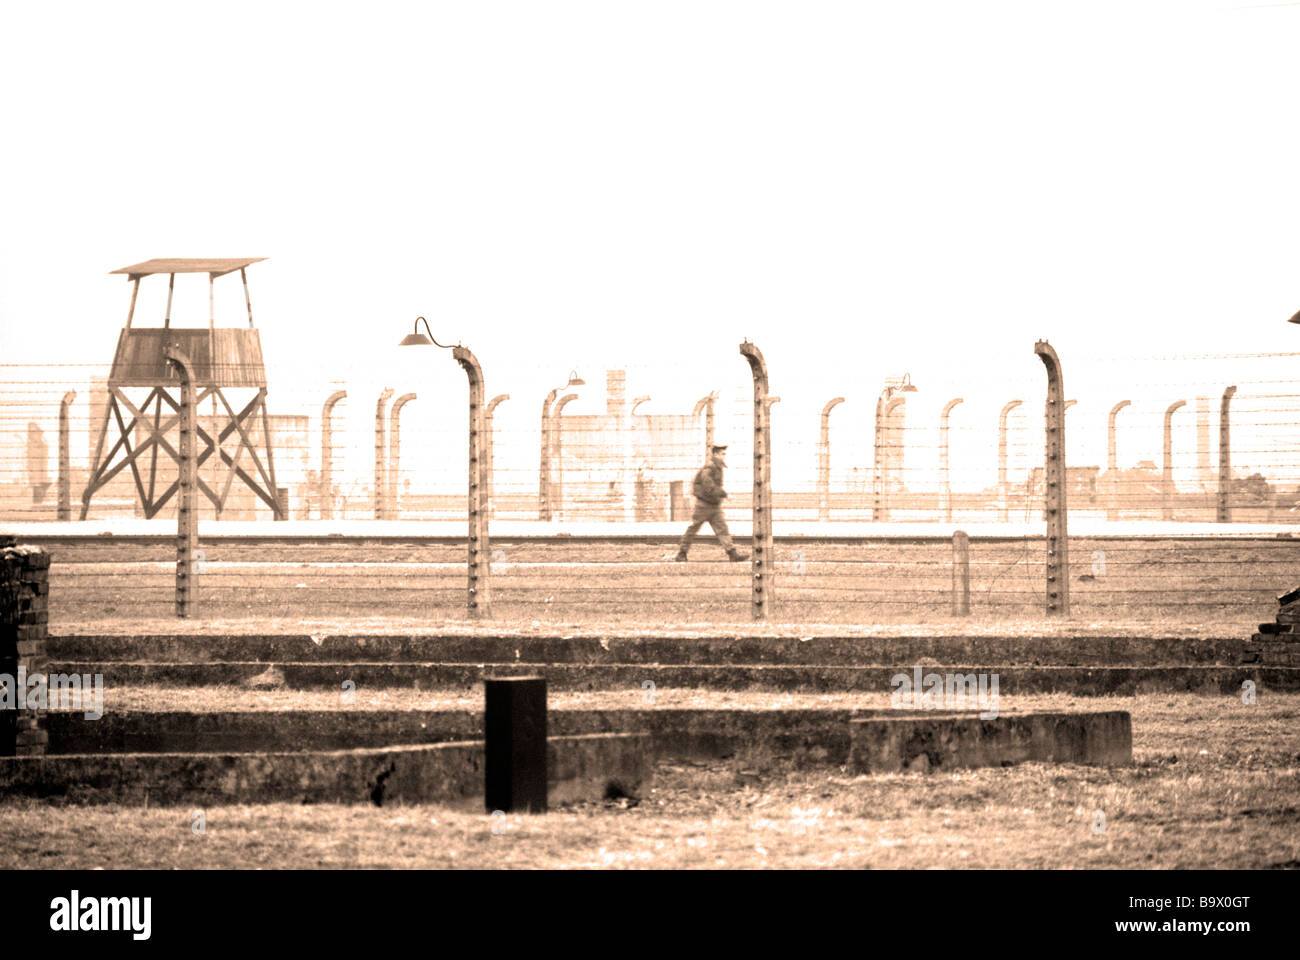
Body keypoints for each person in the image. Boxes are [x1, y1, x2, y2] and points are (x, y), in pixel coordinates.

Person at [676, 444, 748, 562]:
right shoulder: (710, 468)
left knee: (722, 529)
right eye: (721, 454)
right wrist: (724, 494)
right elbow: (708, 486)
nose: (724, 456)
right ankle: (681, 553)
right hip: (704, 505)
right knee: (694, 528)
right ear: (715, 454)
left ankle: (732, 554)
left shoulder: (717, 467)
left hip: (713, 505)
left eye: (724, 454)